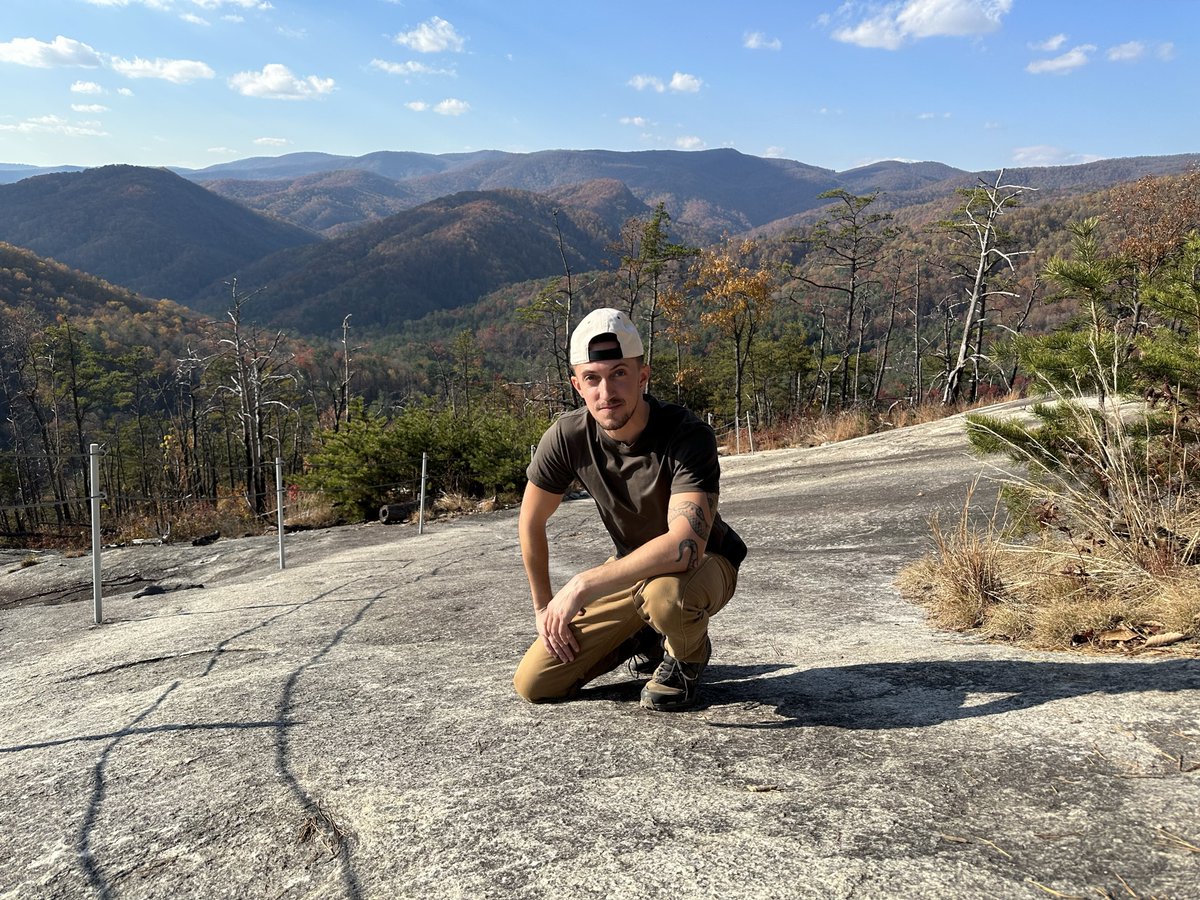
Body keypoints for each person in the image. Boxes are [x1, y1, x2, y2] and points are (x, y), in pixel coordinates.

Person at [513, 307, 746, 711]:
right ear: (577, 385)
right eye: (593, 379)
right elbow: (531, 522)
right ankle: (643, 637)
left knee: (666, 597)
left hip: (704, 563)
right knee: (537, 682)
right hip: (631, 567)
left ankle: (686, 660)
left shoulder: (686, 435)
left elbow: (682, 547)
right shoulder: (568, 436)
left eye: (619, 373)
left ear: (643, 376)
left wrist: (583, 584)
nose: (607, 392)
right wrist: (542, 606)